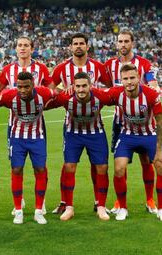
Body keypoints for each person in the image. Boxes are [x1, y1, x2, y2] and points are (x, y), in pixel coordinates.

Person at [0, 36, 53, 214]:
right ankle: (20, 200)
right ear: (15, 49)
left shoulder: (41, 68)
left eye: (26, 45)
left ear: (32, 49)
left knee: (40, 164)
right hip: (15, 124)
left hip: (37, 123)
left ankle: (42, 201)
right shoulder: (8, 69)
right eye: (19, 45)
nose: (22, 48)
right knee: (16, 165)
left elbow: (52, 89)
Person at [51, 33, 112, 215]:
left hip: (95, 124)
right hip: (72, 125)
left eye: (81, 43)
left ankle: (99, 202)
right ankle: (65, 203)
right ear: (70, 47)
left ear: (87, 46)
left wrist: (96, 92)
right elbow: (50, 89)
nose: (78, 46)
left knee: (99, 165)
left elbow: (111, 87)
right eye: (75, 44)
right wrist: (64, 92)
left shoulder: (98, 67)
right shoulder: (62, 68)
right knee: (69, 164)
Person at [106, 64, 162, 222]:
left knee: (161, 165)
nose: (129, 81)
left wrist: (159, 149)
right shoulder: (116, 93)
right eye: (125, 79)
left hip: (149, 135)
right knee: (119, 168)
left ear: (139, 78)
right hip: (127, 135)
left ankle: (161, 209)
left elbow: (160, 122)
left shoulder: (150, 94)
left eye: (132, 78)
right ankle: (123, 207)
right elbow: (97, 95)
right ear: (121, 80)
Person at [105, 30, 159, 214]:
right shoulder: (110, 65)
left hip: (142, 121)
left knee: (146, 160)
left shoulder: (143, 63)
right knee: (121, 163)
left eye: (126, 41)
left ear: (132, 43)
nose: (123, 44)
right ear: (116, 44)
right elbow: (104, 85)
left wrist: (153, 86)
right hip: (120, 121)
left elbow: (151, 81)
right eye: (120, 41)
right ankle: (120, 203)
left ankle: (150, 199)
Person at [0, 71, 57, 224]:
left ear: (33, 85)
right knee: (16, 169)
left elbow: (58, 96)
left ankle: (38, 210)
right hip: (17, 138)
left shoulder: (44, 93)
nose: (22, 90)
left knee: (40, 169)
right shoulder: (9, 96)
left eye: (26, 87)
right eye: (19, 87)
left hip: (37, 137)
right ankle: (18, 210)